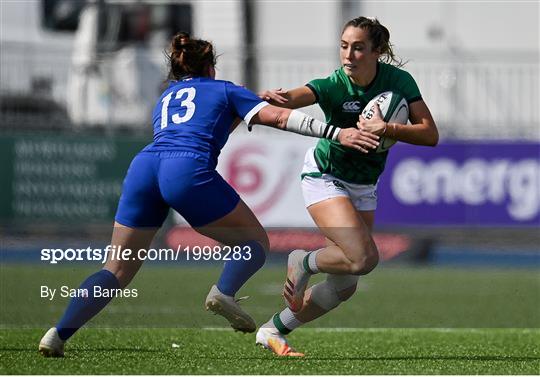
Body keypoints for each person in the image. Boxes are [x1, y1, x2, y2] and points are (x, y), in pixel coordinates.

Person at [38, 32, 374, 357]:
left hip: (145, 167)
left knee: (116, 269)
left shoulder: (165, 98)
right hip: (184, 169)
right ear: (211, 67)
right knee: (254, 243)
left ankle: (58, 333)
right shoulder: (226, 89)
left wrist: (252, 100)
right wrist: (336, 132)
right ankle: (223, 293)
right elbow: (280, 118)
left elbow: (214, 118)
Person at [255, 17, 439, 356]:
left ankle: (272, 330)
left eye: (357, 47)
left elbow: (430, 133)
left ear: (377, 51)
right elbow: (301, 95)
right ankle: (304, 262)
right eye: (343, 46)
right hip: (326, 176)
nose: (348, 55)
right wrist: (278, 98)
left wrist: (388, 129)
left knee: (345, 285)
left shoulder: (399, 82)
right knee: (364, 259)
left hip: (364, 185)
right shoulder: (335, 84)